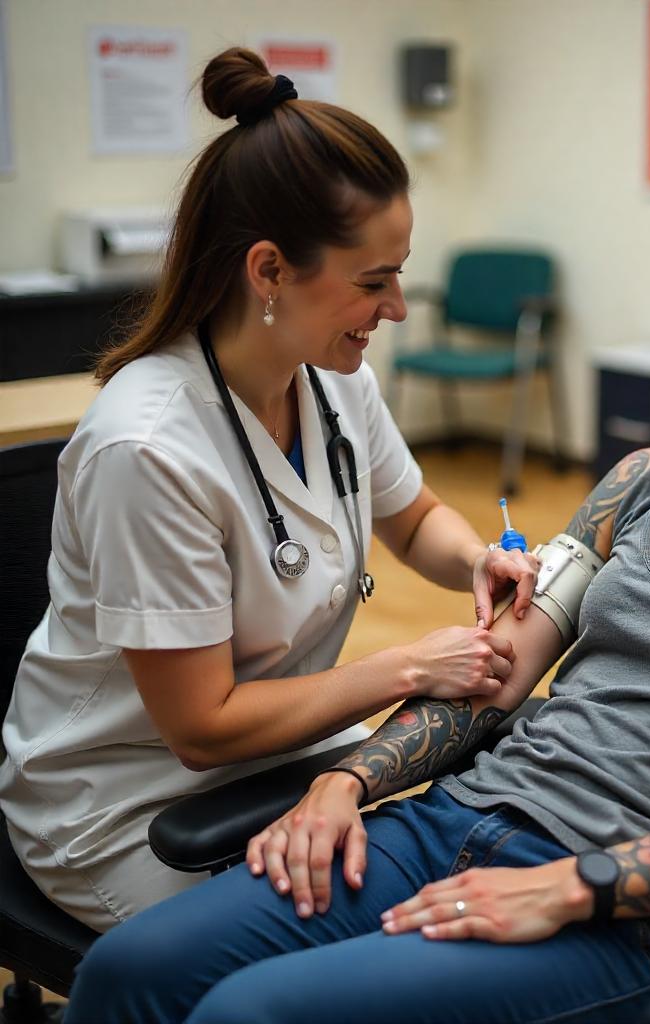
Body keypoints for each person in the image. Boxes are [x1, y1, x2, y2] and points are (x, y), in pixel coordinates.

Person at [66, 176, 650, 1024]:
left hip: (635, 910)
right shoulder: (640, 482)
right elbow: (492, 675)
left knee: (249, 1013)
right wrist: (347, 779)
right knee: (129, 970)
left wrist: (571, 886)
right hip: (463, 817)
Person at [0, 48, 539, 933]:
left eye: (400, 271)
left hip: (283, 761)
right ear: (269, 271)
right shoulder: (148, 448)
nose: (398, 307)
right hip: (130, 808)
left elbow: (413, 519)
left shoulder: (331, 376)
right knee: (370, 936)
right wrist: (407, 665)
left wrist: (477, 557)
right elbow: (201, 727)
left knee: (459, 857)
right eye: (374, 281)